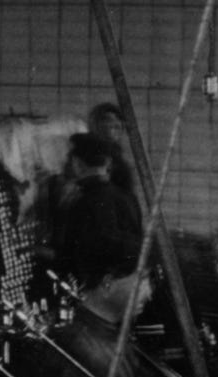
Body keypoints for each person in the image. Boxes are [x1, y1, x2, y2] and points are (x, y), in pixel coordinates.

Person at [39, 116, 145, 289]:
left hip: (99, 293)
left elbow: (80, 258)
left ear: (77, 163)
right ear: (107, 163)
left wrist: (38, 252)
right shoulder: (127, 196)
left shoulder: (86, 202)